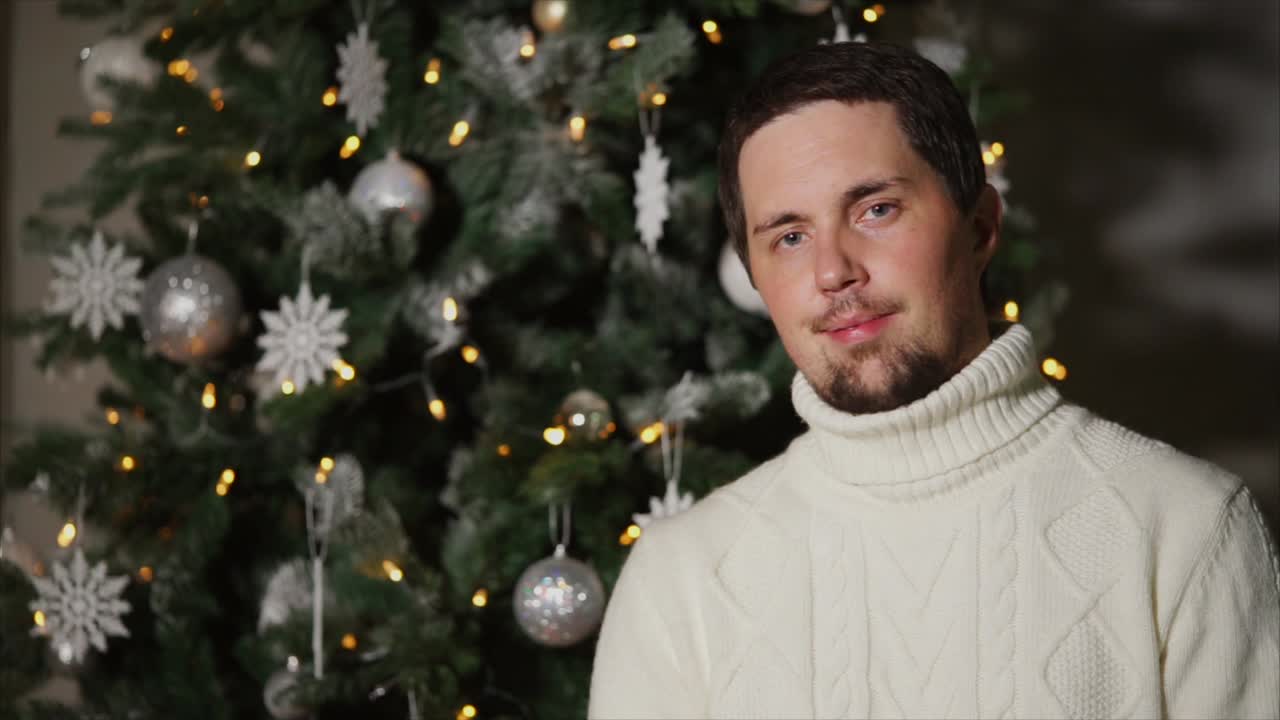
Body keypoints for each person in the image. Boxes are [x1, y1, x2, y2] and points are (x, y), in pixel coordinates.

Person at [588, 41, 1279, 720]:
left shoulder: (1185, 528)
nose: (834, 271)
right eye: (790, 237)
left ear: (979, 229)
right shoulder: (681, 580)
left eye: (875, 210)